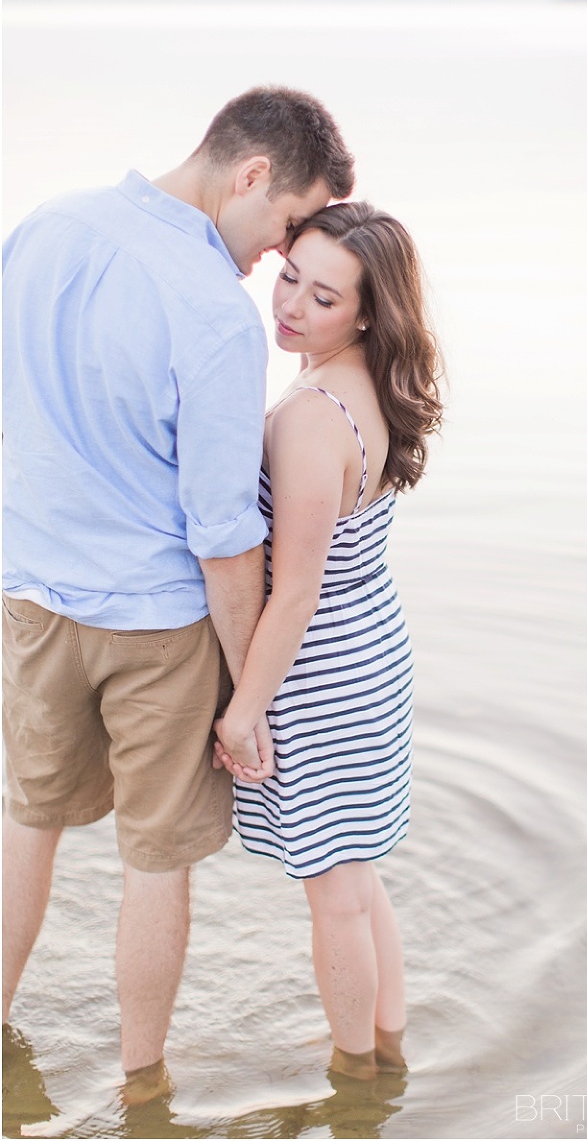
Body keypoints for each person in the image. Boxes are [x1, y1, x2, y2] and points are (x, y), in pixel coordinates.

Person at [1, 85, 354, 1102]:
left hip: (31, 601)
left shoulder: (42, 227)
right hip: (156, 629)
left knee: (26, 826)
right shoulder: (214, 314)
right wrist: (253, 696)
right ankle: (143, 1090)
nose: (272, 262)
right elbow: (224, 539)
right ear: (251, 176)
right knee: (156, 863)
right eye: (285, 226)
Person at [213, 201, 443, 1081]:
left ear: (368, 312)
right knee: (357, 873)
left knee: (336, 896)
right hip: (370, 651)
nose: (293, 307)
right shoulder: (366, 384)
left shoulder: (313, 415)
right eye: (290, 279)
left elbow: (296, 589)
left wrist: (244, 713)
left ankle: (355, 1083)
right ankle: (386, 1049)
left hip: (322, 673)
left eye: (324, 297)